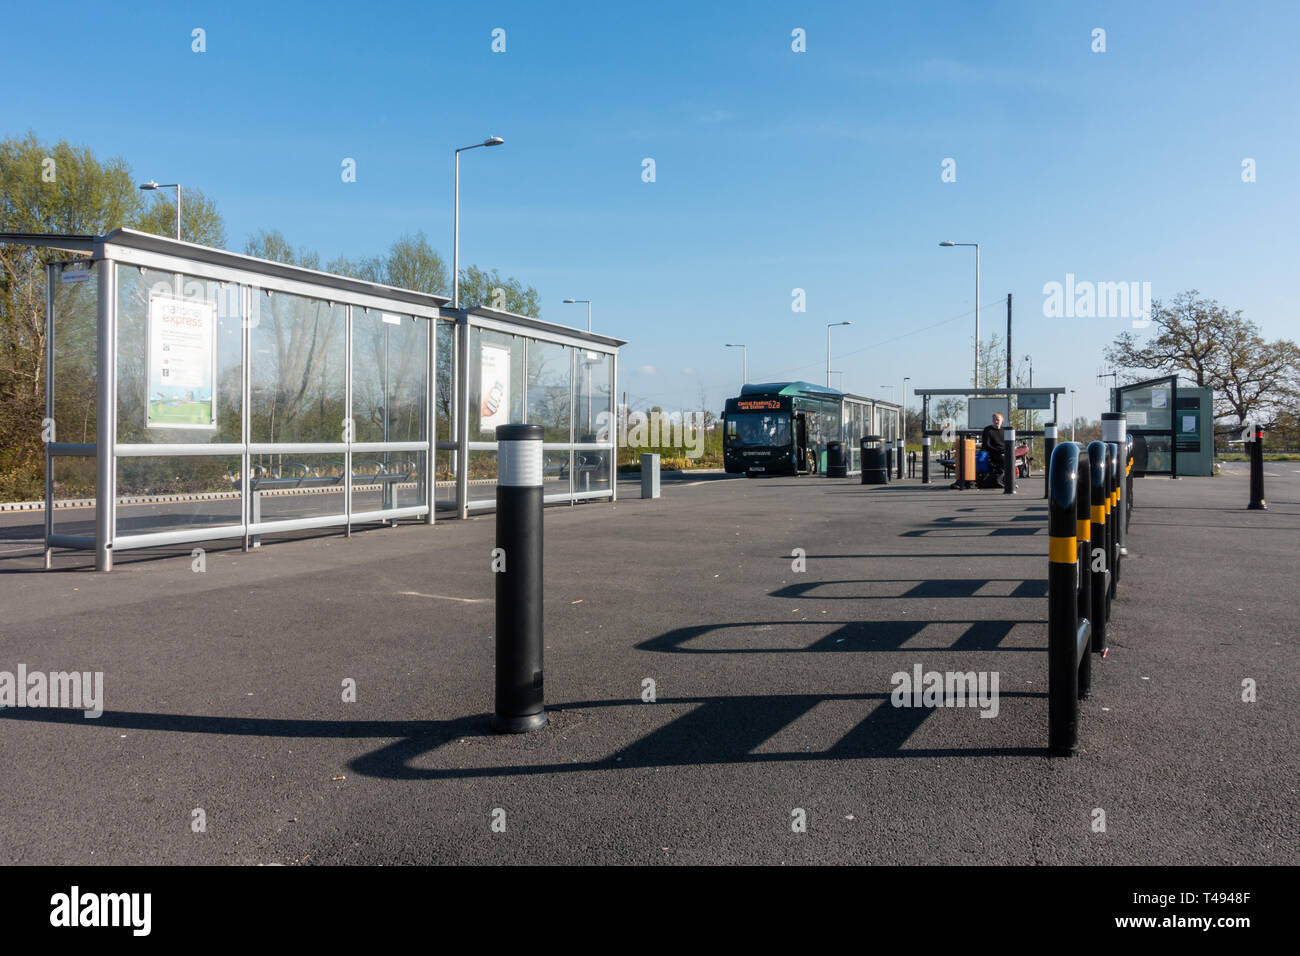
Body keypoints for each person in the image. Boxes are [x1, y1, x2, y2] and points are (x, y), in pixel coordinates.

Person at [981, 412, 1006, 482]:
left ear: (1002, 420)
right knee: (1006, 460)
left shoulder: (1005, 430)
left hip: (1005, 452)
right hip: (993, 453)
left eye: (998, 420)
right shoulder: (988, 430)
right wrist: (998, 451)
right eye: (994, 420)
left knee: (1011, 458)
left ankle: (1009, 480)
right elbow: (986, 445)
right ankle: (1006, 480)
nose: (996, 421)